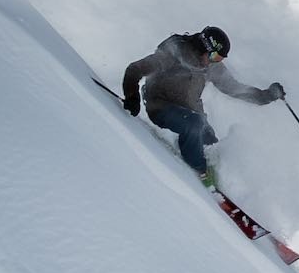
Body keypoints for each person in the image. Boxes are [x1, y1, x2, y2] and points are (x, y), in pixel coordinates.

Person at [121, 26, 284, 187]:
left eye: (219, 59)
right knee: (194, 125)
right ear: (204, 47)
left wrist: (266, 96)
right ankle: (199, 172)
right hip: (161, 106)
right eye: (214, 56)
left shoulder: (211, 66)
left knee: (212, 146)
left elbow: (233, 88)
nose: (215, 62)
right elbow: (134, 69)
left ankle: (220, 184)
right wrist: (132, 97)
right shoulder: (174, 54)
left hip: (192, 112)